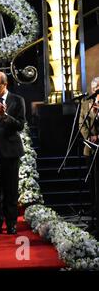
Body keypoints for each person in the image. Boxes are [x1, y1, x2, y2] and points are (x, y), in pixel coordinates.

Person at [0, 71, 26, 235]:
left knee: (11, 190)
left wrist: (5, 116)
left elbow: (20, 125)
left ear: (4, 85)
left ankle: (11, 223)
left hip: (11, 151)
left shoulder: (17, 100)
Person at [79, 77, 99, 237]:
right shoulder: (86, 103)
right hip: (90, 149)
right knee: (92, 184)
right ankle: (94, 219)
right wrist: (89, 137)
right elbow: (81, 123)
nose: (96, 89)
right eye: (94, 87)